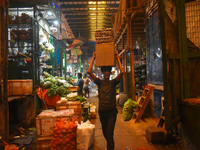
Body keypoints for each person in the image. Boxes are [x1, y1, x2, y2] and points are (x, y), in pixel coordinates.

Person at [87, 50, 124, 150]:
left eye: (108, 71)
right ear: (102, 72)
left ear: (110, 72)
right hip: (102, 112)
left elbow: (122, 72)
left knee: (110, 134)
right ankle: (109, 146)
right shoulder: (99, 82)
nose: (106, 72)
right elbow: (89, 72)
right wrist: (93, 57)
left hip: (112, 112)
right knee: (105, 133)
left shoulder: (113, 82)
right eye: (105, 71)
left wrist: (117, 58)